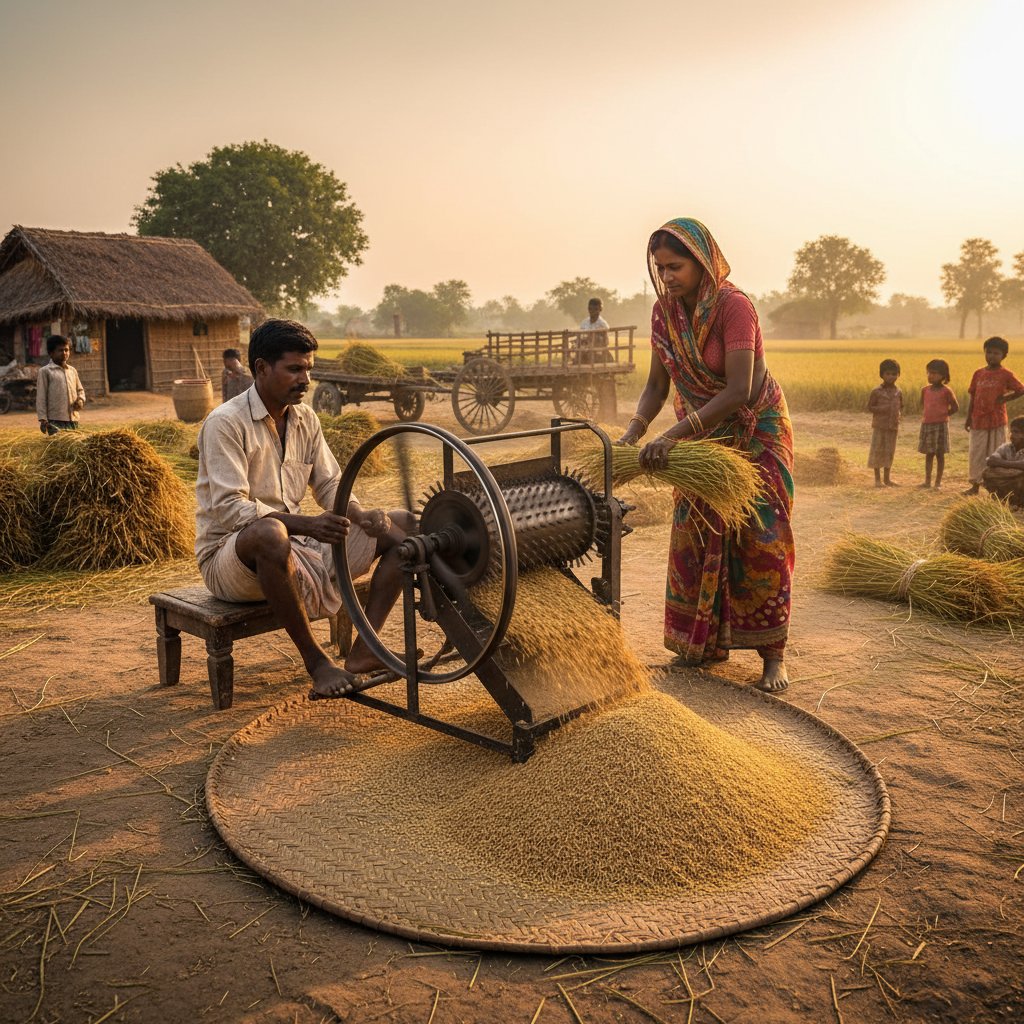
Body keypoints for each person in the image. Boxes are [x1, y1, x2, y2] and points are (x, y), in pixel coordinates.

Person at [618, 218, 794, 694]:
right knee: (694, 532)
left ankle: (773, 656)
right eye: (660, 268)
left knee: (760, 536)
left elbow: (739, 389)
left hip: (753, 430)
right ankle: (699, 647)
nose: (667, 276)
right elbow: (657, 385)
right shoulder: (664, 313)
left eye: (675, 266)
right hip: (698, 438)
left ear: (703, 262)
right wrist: (633, 434)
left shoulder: (736, 308)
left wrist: (672, 436)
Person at [195, 318, 414, 699]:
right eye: (294, 369)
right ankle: (317, 663)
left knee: (403, 524)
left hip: (300, 549)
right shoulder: (225, 423)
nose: (305, 380)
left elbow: (329, 482)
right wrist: (308, 525)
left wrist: (361, 516)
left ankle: (366, 650)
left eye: (308, 369)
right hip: (233, 562)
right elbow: (231, 510)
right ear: (261, 368)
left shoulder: (305, 419)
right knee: (270, 532)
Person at [963, 337, 1024, 496]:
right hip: (978, 419)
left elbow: (1020, 389)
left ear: (1004, 355)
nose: (991, 356)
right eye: (988, 352)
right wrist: (969, 417)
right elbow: (973, 396)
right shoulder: (978, 373)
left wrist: (1005, 399)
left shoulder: (1006, 374)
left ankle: (996, 487)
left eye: (996, 353)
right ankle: (975, 485)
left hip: (997, 420)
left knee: (996, 452)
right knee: (976, 453)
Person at [917, 358, 958, 489]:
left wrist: (944, 415)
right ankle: (927, 481)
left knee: (940, 454)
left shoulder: (946, 391)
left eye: (934, 373)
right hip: (927, 425)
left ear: (943, 375)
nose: (930, 376)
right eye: (928, 373)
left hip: (941, 426)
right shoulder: (925, 390)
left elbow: (955, 407)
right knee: (929, 454)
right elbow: (922, 405)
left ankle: (938, 483)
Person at [36, 335, 86, 435]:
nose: (64, 353)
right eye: (60, 350)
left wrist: (80, 400)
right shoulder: (45, 371)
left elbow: (80, 390)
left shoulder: (72, 371)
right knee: (58, 448)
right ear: (51, 353)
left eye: (66, 350)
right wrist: (43, 419)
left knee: (73, 447)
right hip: (55, 420)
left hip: (73, 418)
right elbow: (41, 397)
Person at [867, 359, 903, 487]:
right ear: (881, 374)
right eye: (887, 374)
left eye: (894, 374)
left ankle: (887, 479)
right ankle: (877, 480)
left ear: (898, 374)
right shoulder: (876, 391)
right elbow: (870, 407)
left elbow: (901, 406)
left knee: (889, 452)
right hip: (879, 426)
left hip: (893, 427)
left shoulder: (899, 392)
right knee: (877, 451)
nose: (891, 376)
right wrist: (882, 409)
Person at [983, 415, 1024, 507]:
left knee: (1021, 477)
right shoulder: (1006, 447)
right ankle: (1004, 500)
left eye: (1016, 432)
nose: (1011, 436)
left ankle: (1019, 503)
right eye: (1011, 432)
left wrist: (1002, 464)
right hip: (1011, 479)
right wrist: (1014, 469)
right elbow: (991, 461)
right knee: (987, 473)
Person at [575, 297, 611, 364]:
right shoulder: (584, 323)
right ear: (588, 309)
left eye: (596, 309)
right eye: (591, 309)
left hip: (598, 351)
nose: (593, 311)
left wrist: (593, 339)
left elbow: (606, 341)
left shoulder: (603, 324)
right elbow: (580, 338)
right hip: (584, 349)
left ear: (600, 309)